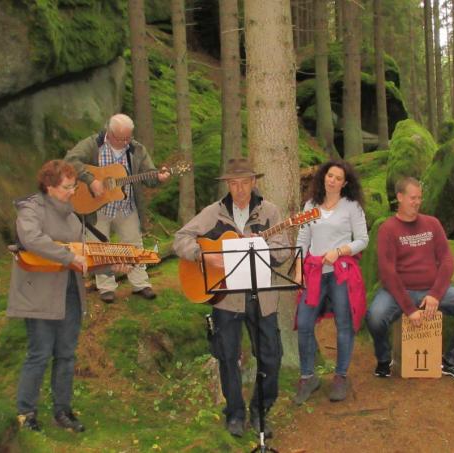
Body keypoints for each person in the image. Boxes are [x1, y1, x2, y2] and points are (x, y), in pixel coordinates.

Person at [7, 160, 130, 432]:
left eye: (74, 185)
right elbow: (32, 239)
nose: (73, 191)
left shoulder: (72, 215)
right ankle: (26, 413)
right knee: (39, 354)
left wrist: (113, 265)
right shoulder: (31, 208)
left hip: (70, 292)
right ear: (49, 186)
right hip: (39, 293)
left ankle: (62, 411)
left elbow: (82, 256)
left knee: (66, 354)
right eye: (67, 187)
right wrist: (68, 256)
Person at [173, 158, 291, 438]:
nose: (239, 189)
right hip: (226, 298)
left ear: (253, 182)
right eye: (234, 183)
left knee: (271, 357)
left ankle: (261, 413)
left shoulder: (270, 212)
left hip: (261, 296)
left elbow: (284, 249)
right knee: (227, 356)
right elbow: (181, 238)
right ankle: (235, 414)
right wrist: (204, 255)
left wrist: (259, 248)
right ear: (228, 184)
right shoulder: (214, 212)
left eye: (244, 182)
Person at [365, 177, 454, 383]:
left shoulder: (432, 224)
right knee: (375, 317)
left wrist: (435, 295)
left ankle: (453, 362)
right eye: (412, 198)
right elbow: (387, 272)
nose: (417, 202)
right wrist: (409, 309)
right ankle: (384, 360)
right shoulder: (388, 228)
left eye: (419, 198)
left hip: (430, 290)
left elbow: (447, 261)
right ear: (400, 197)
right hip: (397, 292)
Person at [64, 113, 170, 303]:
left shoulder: (137, 149)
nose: (125, 141)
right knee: (99, 249)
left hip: (125, 207)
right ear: (110, 133)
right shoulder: (92, 144)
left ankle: (141, 284)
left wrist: (158, 177)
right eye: (121, 138)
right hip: (97, 208)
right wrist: (91, 180)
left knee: (134, 245)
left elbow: (149, 175)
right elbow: (69, 161)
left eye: (128, 137)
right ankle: (106, 288)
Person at [293, 160, 368, 404]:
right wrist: (298, 271)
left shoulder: (351, 207)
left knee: (344, 324)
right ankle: (308, 376)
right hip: (314, 272)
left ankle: (341, 376)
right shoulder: (310, 205)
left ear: (345, 183)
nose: (332, 180)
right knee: (304, 323)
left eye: (337, 177)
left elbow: (363, 239)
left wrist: (340, 251)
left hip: (340, 272)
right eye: (329, 175)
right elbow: (302, 239)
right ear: (323, 178)